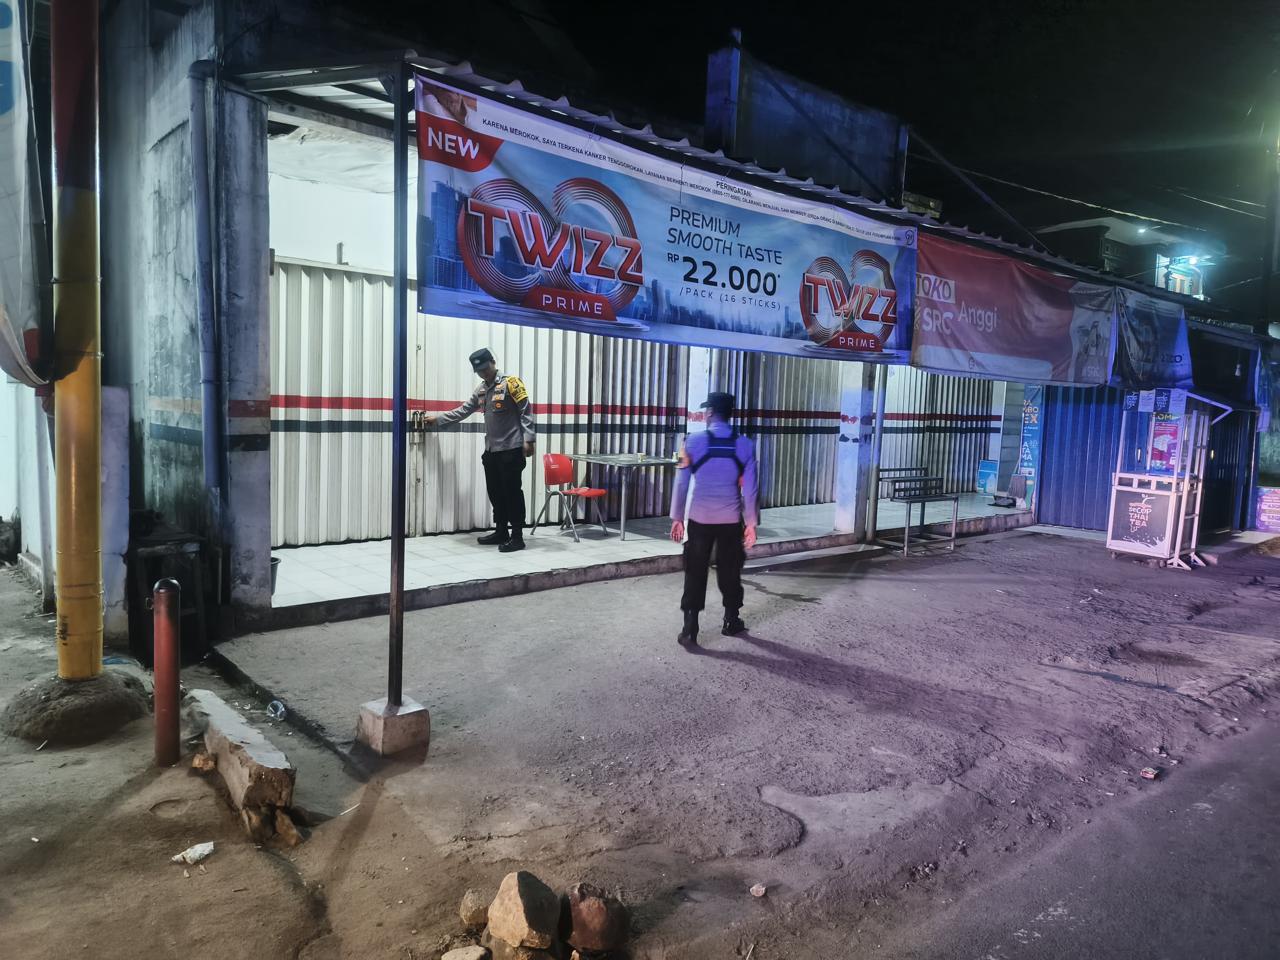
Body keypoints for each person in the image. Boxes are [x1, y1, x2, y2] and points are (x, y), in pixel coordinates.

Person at [669, 392, 759, 648]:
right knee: (730, 569)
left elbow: (681, 482)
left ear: (709, 413)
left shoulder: (691, 441)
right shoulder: (745, 445)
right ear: (730, 414)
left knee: (695, 569)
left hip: (700, 518)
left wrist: (677, 517)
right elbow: (751, 489)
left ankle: (690, 628)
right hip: (730, 520)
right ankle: (731, 620)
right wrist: (751, 523)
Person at [425, 348, 535, 552]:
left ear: (493, 362)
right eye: (479, 371)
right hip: (491, 451)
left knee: (512, 493)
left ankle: (517, 537)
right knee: (496, 493)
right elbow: (463, 410)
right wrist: (438, 420)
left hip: (511, 449)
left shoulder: (511, 383)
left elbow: (525, 410)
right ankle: (501, 531)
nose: (483, 373)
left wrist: (529, 440)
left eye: (485, 368)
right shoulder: (481, 390)